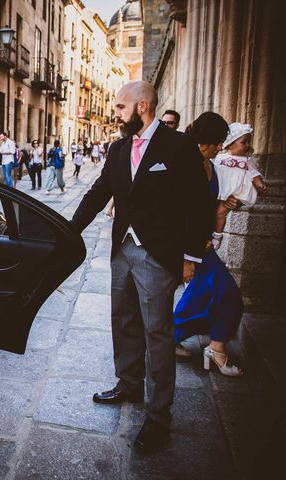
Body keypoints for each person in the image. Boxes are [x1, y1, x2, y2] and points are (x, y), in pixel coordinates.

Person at [69, 81, 211, 453]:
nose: (115, 112)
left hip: (160, 255)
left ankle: (159, 415)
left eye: (120, 107)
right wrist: (68, 231)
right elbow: (99, 193)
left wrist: (191, 257)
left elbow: (197, 205)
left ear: (142, 106)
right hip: (123, 251)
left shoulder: (178, 147)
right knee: (124, 319)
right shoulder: (118, 149)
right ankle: (129, 383)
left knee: (158, 333)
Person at [173, 112, 245, 376]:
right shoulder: (184, 162)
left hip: (203, 246)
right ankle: (214, 349)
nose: (220, 147)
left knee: (204, 294)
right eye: (217, 141)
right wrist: (187, 255)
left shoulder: (212, 168)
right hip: (188, 247)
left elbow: (207, 206)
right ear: (205, 139)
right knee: (228, 294)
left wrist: (225, 206)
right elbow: (179, 210)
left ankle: (176, 336)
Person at [210, 122, 267, 249]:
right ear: (230, 143)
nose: (247, 145)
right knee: (214, 211)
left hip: (234, 192)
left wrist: (260, 185)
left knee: (220, 213)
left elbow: (254, 174)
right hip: (221, 190)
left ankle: (217, 236)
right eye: (244, 142)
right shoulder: (219, 157)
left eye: (248, 142)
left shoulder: (247, 161)